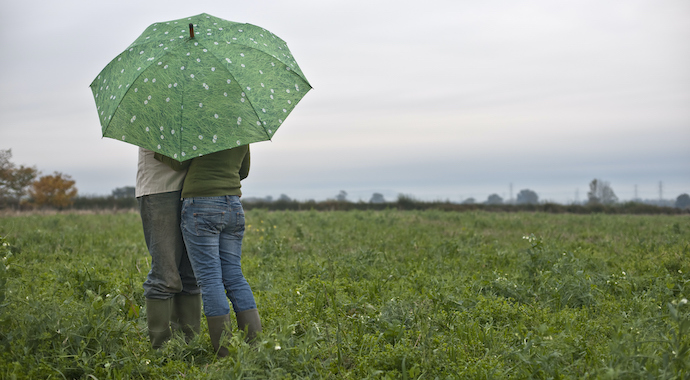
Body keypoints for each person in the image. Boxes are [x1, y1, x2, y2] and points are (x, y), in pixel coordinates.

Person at [156, 145, 261, 357]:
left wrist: (158, 151)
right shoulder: (241, 126)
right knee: (235, 277)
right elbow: (244, 171)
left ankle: (225, 353)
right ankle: (257, 348)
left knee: (210, 280)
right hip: (233, 204)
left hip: (201, 204)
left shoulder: (200, 125)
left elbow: (179, 163)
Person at [136, 148, 201, 348]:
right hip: (159, 190)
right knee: (165, 274)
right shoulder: (150, 117)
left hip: (194, 190)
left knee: (190, 275)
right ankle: (161, 348)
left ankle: (189, 345)